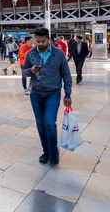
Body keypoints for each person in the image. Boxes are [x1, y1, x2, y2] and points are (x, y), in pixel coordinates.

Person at [23, 27, 72, 165]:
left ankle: (53, 151)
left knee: (49, 123)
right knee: (40, 125)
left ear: (49, 40)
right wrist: (31, 71)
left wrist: (68, 93)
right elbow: (24, 72)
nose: (40, 44)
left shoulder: (59, 54)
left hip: (53, 93)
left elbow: (66, 74)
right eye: (37, 41)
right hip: (36, 94)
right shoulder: (30, 54)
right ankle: (46, 151)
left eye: (43, 41)